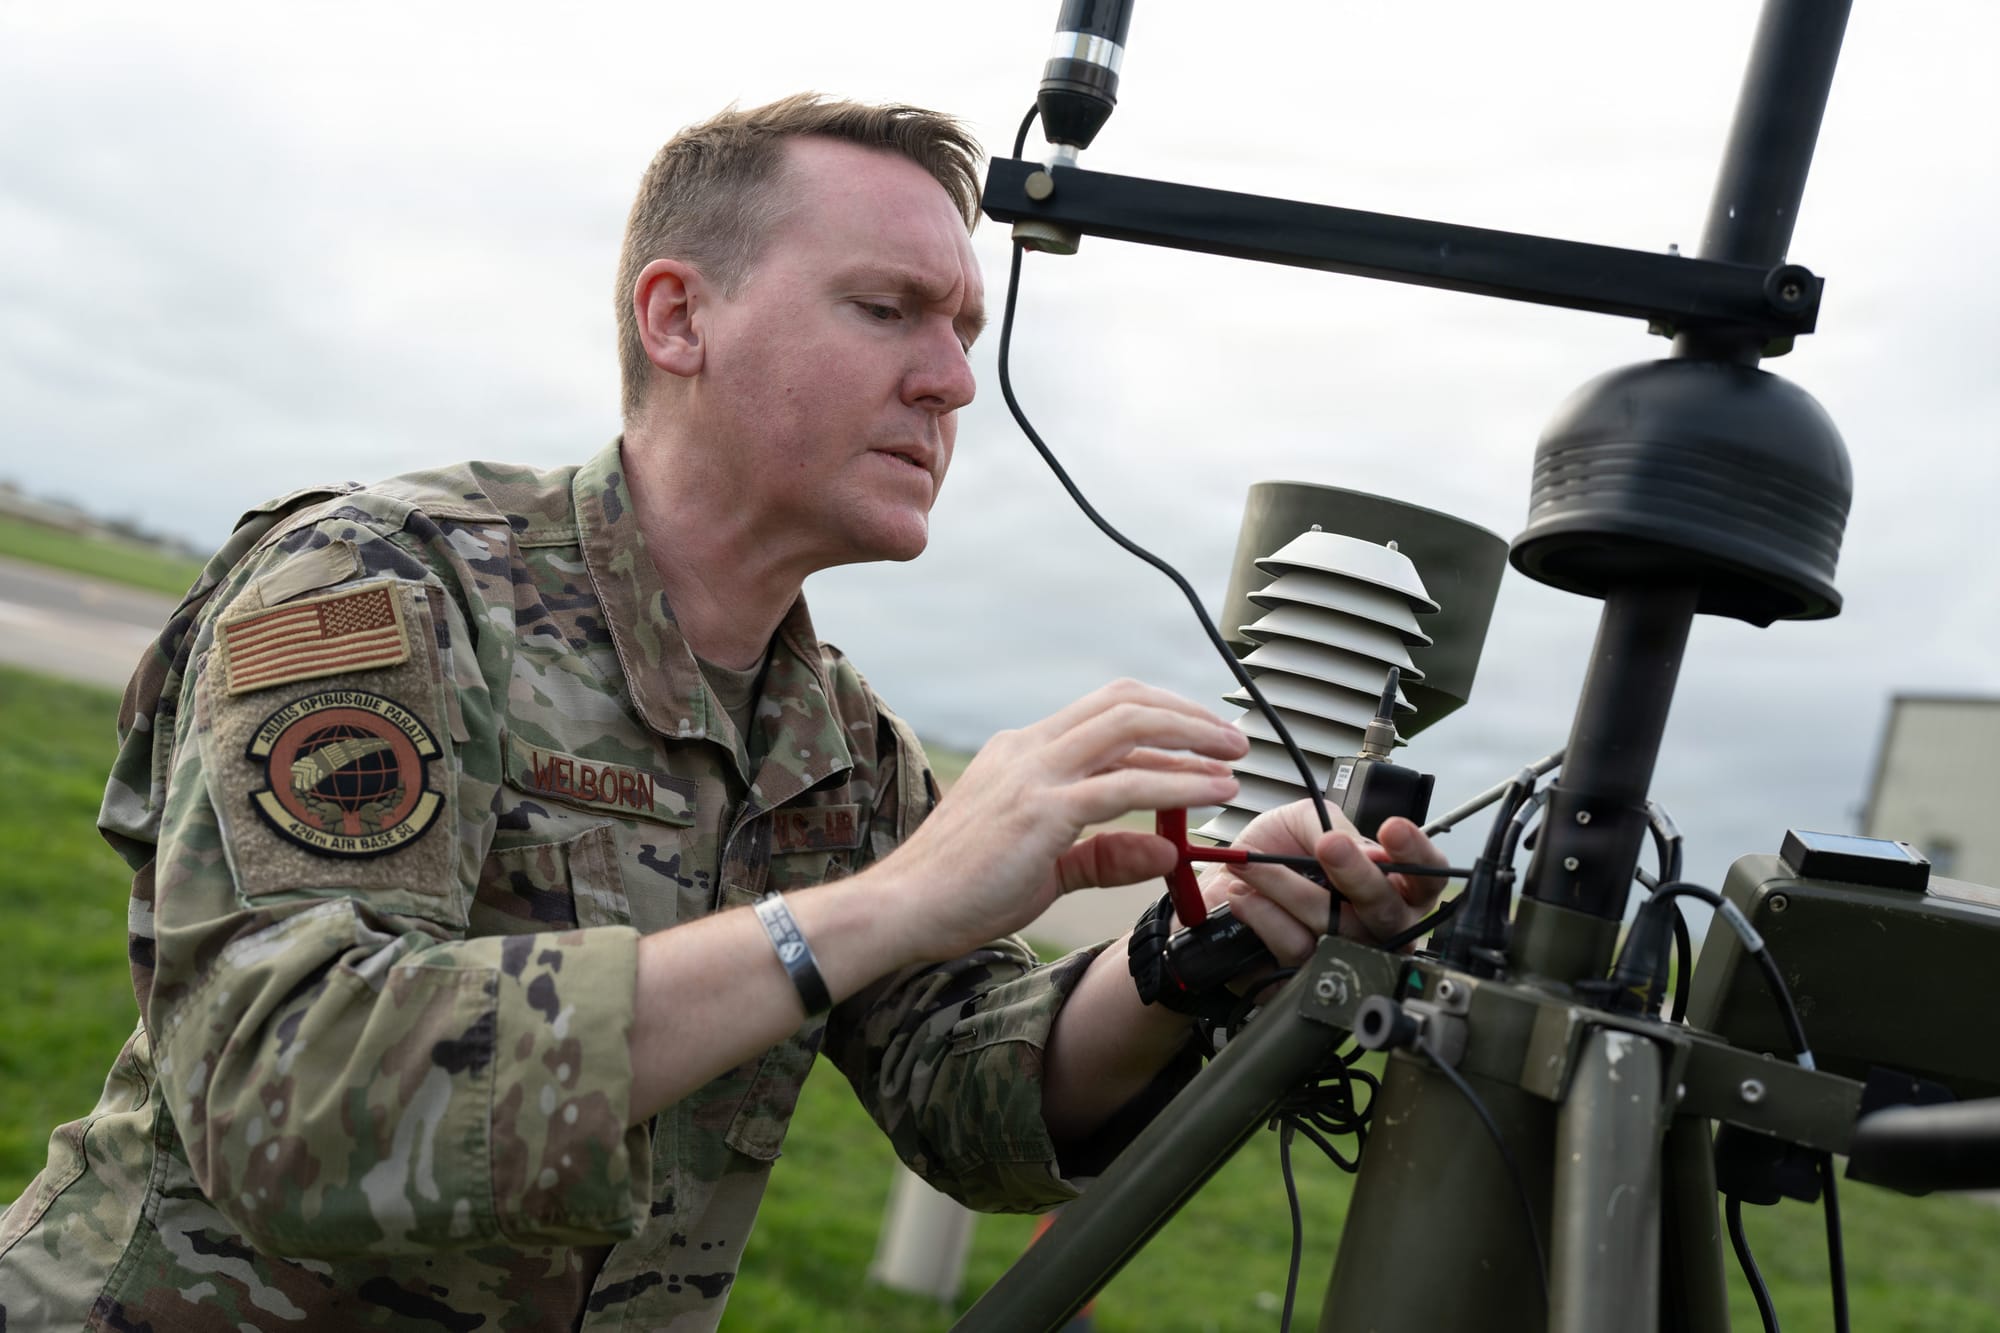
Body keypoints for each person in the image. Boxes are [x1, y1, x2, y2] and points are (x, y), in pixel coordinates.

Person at [0, 95, 1444, 1328]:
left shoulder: (838, 741)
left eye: (960, 329)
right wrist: (879, 907)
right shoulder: (387, 588)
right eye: (887, 309)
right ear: (678, 317)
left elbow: (968, 1093)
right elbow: (289, 1092)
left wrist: (1200, 945)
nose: (950, 379)